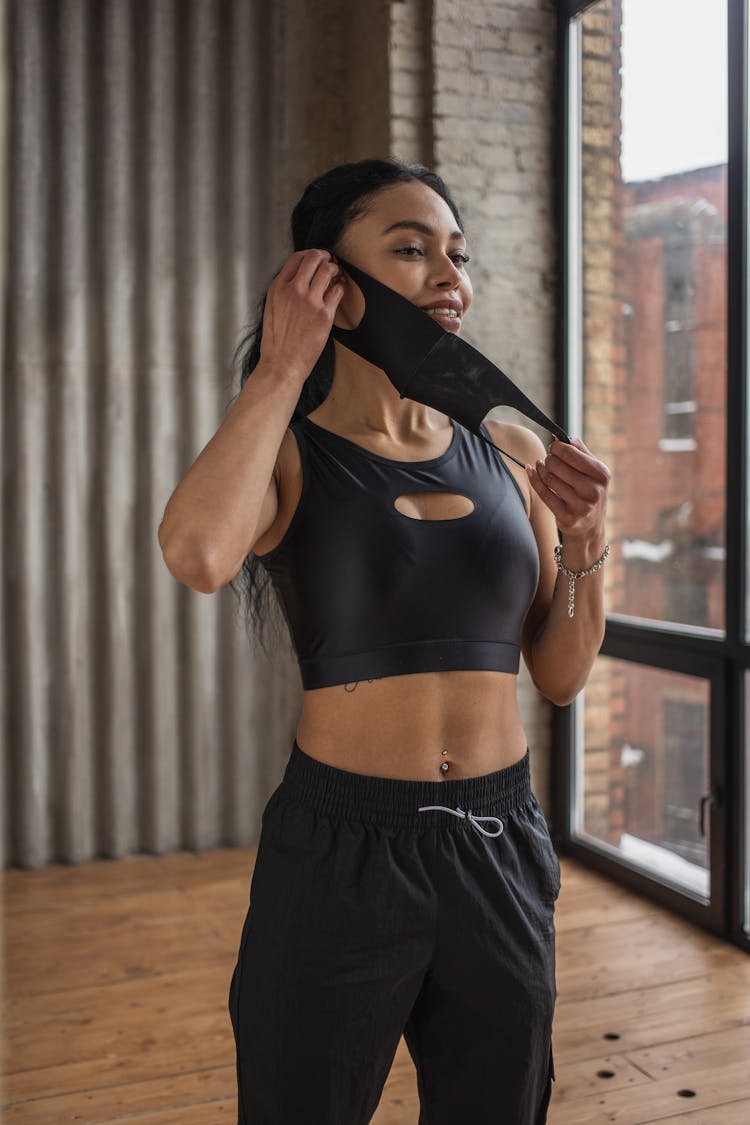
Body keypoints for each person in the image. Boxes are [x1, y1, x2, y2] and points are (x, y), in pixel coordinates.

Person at [158, 157, 611, 1125]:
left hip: (499, 844)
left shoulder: (514, 455)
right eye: (410, 250)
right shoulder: (287, 446)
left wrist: (589, 547)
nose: (451, 277)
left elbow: (561, 676)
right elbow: (197, 553)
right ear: (327, 278)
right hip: (339, 856)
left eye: (457, 254)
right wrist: (284, 364)